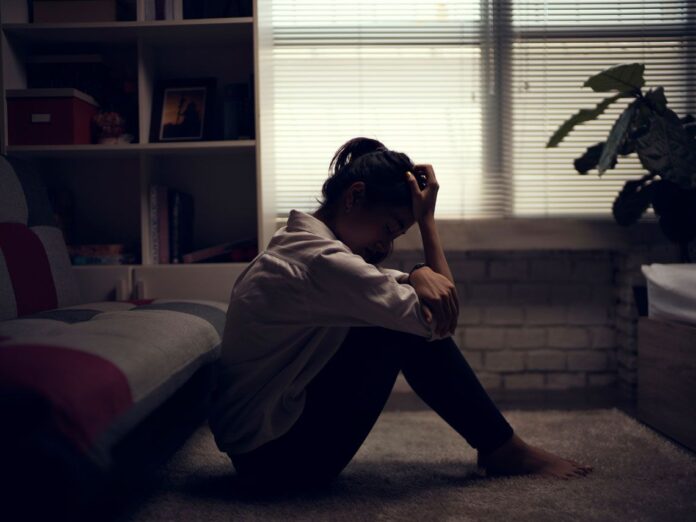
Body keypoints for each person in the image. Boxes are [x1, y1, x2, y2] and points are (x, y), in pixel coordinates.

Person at [208, 137, 593, 496]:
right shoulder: (320, 260)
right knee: (400, 330)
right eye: (389, 228)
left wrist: (416, 274)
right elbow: (439, 318)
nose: (385, 245)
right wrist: (427, 223)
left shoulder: (299, 244)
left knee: (390, 317)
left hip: (257, 453)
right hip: (278, 465)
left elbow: (398, 289)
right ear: (354, 196)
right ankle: (502, 448)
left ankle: (499, 446)